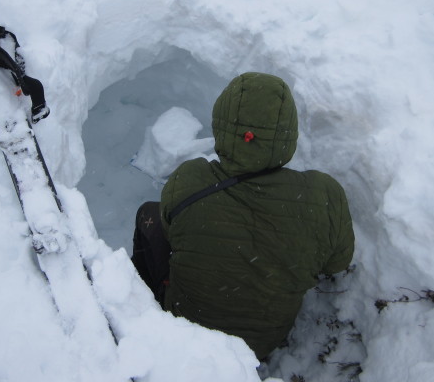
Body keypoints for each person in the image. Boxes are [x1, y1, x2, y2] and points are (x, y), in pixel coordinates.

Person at [132, 72, 355, 360]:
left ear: (222, 126)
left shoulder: (190, 180)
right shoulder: (325, 198)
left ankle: (140, 306)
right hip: (259, 346)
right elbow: (336, 263)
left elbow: (171, 228)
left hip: (186, 329)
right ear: (287, 133)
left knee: (148, 214)